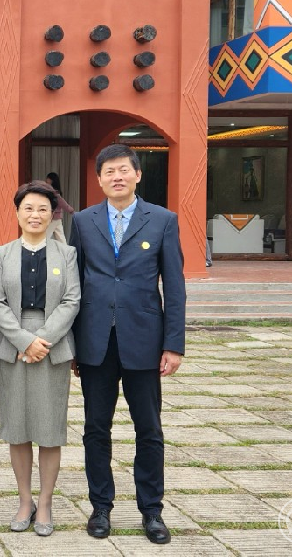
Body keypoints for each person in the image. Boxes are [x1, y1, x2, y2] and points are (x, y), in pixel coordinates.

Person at [69, 144, 185, 545]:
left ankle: (151, 511)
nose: (116, 177)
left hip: (144, 341)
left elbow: (174, 284)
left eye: (123, 170)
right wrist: (72, 344)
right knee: (95, 429)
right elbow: (74, 284)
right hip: (95, 341)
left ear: (138, 175)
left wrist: (174, 344)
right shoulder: (83, 222)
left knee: (149, 429)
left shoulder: (163, 220)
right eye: (108, 172)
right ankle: (100, 507)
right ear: (99, 179)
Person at [0, 181, 80, 538]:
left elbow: (72, 300)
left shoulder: (66, 254)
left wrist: (43, 340)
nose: (35, 215)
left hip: (53, 344)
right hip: (12, 346)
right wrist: (25, 341)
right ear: (17, 213)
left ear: (52, 214)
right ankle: (24, 500)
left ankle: (45, 502)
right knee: (17, 427)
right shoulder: (2, 254)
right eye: (28, 208)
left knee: (49, 429)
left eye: (43, 209)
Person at [44, 172, 76, 243]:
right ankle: (66, 252)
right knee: (61, 239)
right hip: (56, 218)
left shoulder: (54, 194)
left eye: (48, 180)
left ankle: (39, 251)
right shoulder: (50, 193)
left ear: (52, 181)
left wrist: (72, 211)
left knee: (45, 237)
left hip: (53, 218)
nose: (46, 181)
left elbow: (64, 204)